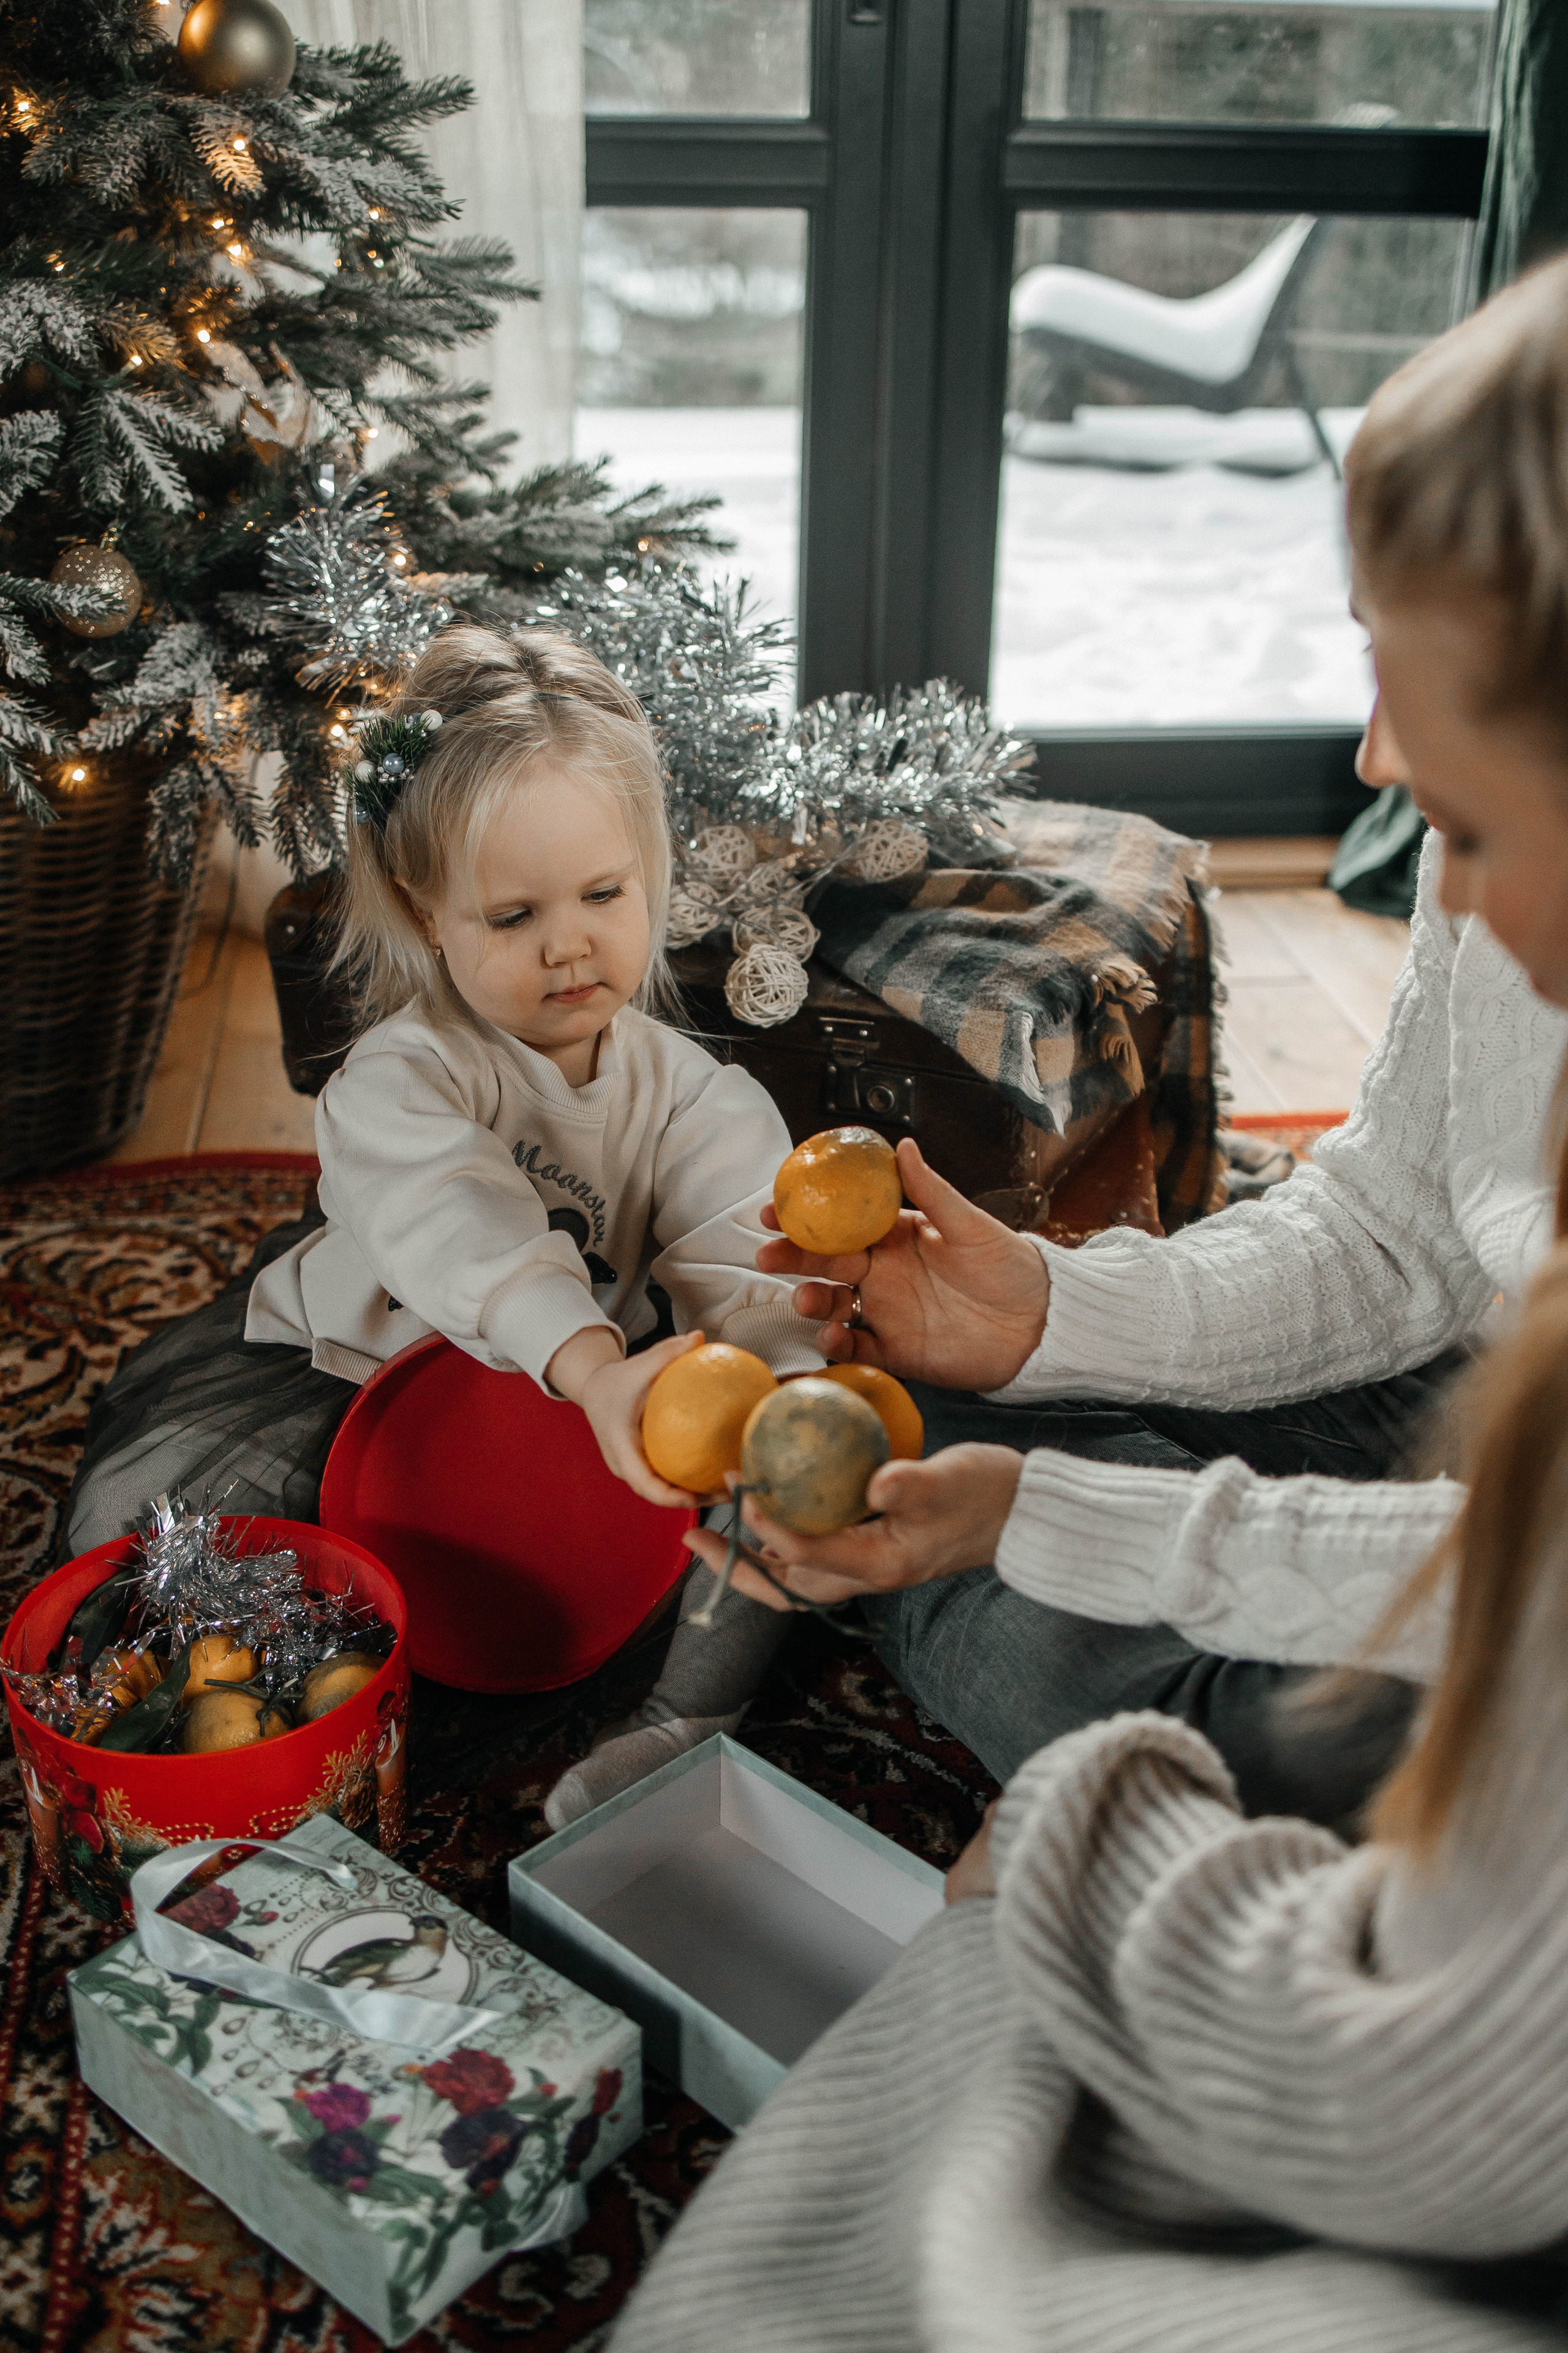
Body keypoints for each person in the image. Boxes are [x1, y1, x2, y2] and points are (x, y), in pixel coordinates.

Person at [692, 256, 1568, 1827]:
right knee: (914, 1419)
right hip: (1492, 1409)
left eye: (1416, 689)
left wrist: (1055, 1528)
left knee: (1104, 1612)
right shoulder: (1480, 832)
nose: (1380, 759)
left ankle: (1231, 1783)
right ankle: (1223, 1751)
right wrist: (1044, 1316)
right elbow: (1392, 1231)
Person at [611, 1231, 1568, 2353]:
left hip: (1418, 1787)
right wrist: (1052, 1336)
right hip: (1490, 1525)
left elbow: (1419, 2089)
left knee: (907, 1465)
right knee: (924, 1396)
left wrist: (1083, 1837)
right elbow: (1498, 1531)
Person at [62, 625, 823, 1822]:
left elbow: (748, 1248)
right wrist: (587, 1361)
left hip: (569, 1427)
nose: (569, 942)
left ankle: (684, 1713)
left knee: (783, 1484)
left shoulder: (693, 1097)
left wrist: (778, 1363)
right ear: (427, 914)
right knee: (148, 1523)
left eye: (605, 894)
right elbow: (459, 1214)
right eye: (513, 915)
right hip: (363, 1378)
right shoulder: (401, 1075)